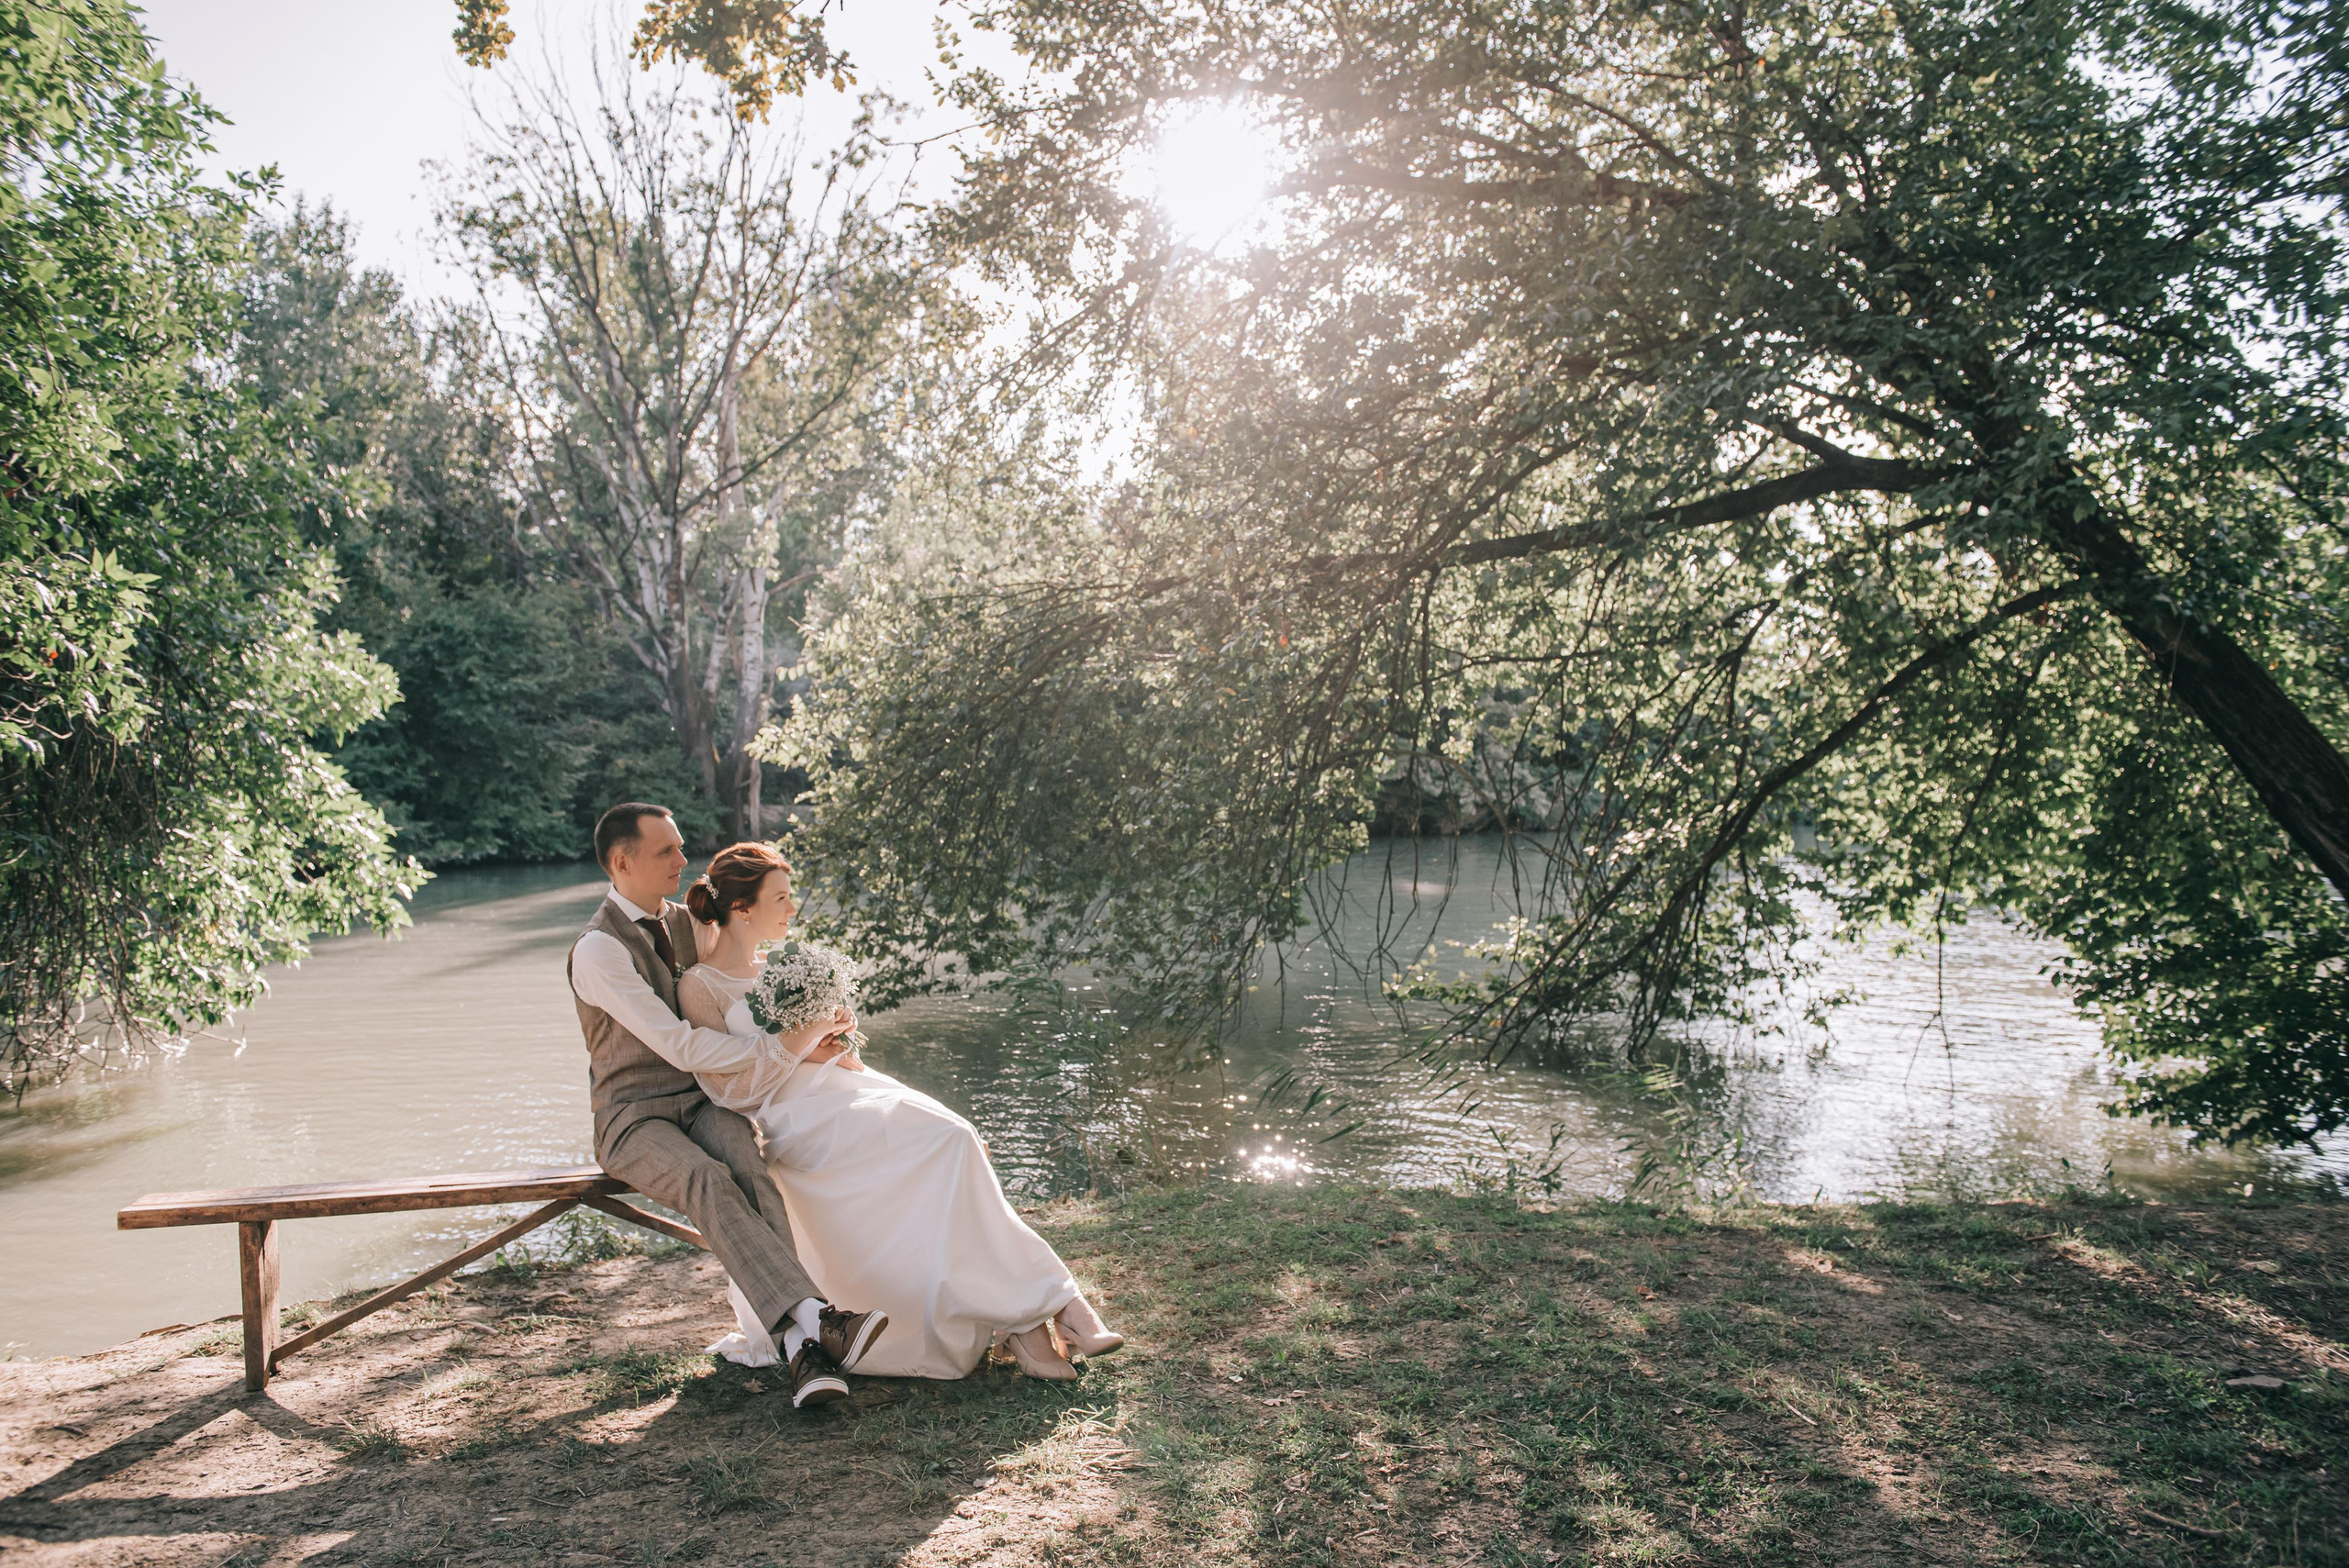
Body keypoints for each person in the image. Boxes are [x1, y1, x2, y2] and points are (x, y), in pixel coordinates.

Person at [676, 840, 1124, 1381]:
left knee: (957, 1135)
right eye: (781, 898)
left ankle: (1034, 1321)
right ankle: (1052, 1312)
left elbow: (843, 1057)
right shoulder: (699, 985)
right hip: (789, 1115)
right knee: (945, 1142)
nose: (793, 909)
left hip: (844, 1089)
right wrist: (803, 1039)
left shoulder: (789, 968)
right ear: (743, 908)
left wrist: (839, 1038)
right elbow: (729, 1092)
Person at [567, 803, 888, 1407]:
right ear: (621, 861)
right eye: (667, 850)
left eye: (681, 846)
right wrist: (782, 1048)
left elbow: (743, 980)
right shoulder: (598, 950)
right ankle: (817, 1319)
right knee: (706, 1177)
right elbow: (679, 1042)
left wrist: (813, 1014)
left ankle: (803, 1350)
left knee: (748, 1165)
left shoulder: (692, 921)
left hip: (702, 1099)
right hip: (633, 1117)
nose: (683, 860)